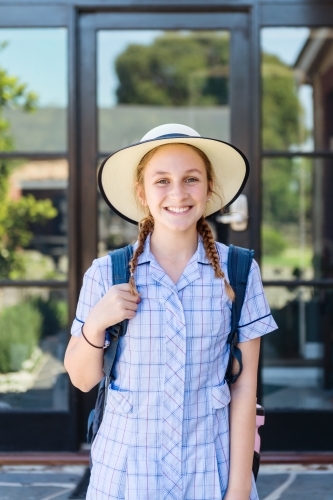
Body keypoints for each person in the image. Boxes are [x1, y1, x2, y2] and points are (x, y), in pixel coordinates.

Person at [64, 123, 277, 500]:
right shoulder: (106, 273)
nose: (178, 193)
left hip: (210, 471)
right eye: (161, 180)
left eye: (191, 179)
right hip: (126, 476)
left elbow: (244, 388)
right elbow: (82, 380)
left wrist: (239, 490)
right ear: (142, 194)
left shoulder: (240, 273)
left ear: (209, 188)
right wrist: (96, 324)